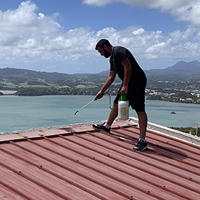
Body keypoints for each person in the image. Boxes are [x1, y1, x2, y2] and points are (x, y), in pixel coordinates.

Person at [93, 39, 148, 152]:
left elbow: (128, 67)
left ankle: (142, 140)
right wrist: (102, 91)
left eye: (100, 51)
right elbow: (111, 76)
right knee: (116, 103)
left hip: (137, 82)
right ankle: (107, 126)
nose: (101, 54)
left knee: (140, 110)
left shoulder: (119, 51)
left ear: (105, 46)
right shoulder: (112, 59)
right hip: (127, 83)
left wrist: (125, 85)